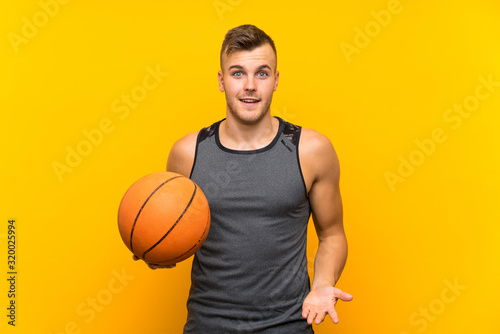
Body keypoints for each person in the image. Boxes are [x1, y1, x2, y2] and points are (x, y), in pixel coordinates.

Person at [136, 24, 353, 333]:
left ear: (275, 81)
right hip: (208, 325)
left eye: (262, 73)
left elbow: (332, 235)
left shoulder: (311, 151)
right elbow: (171, 225)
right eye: (237, 73)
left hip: (288, 325)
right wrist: (153, 245)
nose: (250, 85)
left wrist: (322, 285)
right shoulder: (187, 153)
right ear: (222, 81)